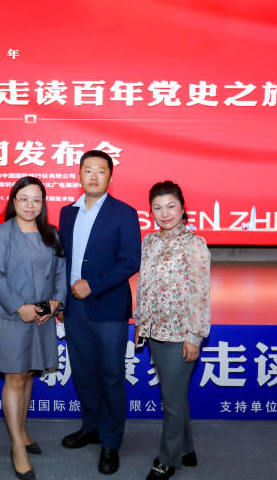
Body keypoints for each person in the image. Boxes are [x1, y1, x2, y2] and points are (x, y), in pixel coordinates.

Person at [57, 150, 141, 475]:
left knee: (111, 375)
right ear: (79, 174)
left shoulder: (124, 213)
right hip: (74, 308)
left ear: (110, 177)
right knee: (83, 373)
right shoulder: (68, 213)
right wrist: (61, 299)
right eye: (88, 170)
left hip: (108, 308)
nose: (93, 176)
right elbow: (63, 260)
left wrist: (93, 285)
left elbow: (130, 260)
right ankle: (90, 426)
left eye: (100, 171)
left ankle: (110, 441)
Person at [0, 176, 67, 480]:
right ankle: (17, 446)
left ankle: (21, 431)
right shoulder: (1, 233)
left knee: (30, 372)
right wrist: (20, 307)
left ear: (43, 203)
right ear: (13, 201)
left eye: (36, 200)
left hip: (42, 316)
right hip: (14, 316)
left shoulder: (51, 233)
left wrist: (55, 303)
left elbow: (61, 272)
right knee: (15, 377)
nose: (30, 205)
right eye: (24, 199)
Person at [134, 180, 211, 480]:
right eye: (157, 207)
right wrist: (141, 322)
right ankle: (186, 450)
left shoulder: (194, 244)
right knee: (175, 395)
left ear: (182, 208)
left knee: (172, 399)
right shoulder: (149, 241)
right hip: (155, 331)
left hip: (181, 334)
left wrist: (194, 336)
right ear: (150, 211)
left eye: (170, 206)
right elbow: (144, 286)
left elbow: (200, 293)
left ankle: (167, 459)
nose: (164, 213)